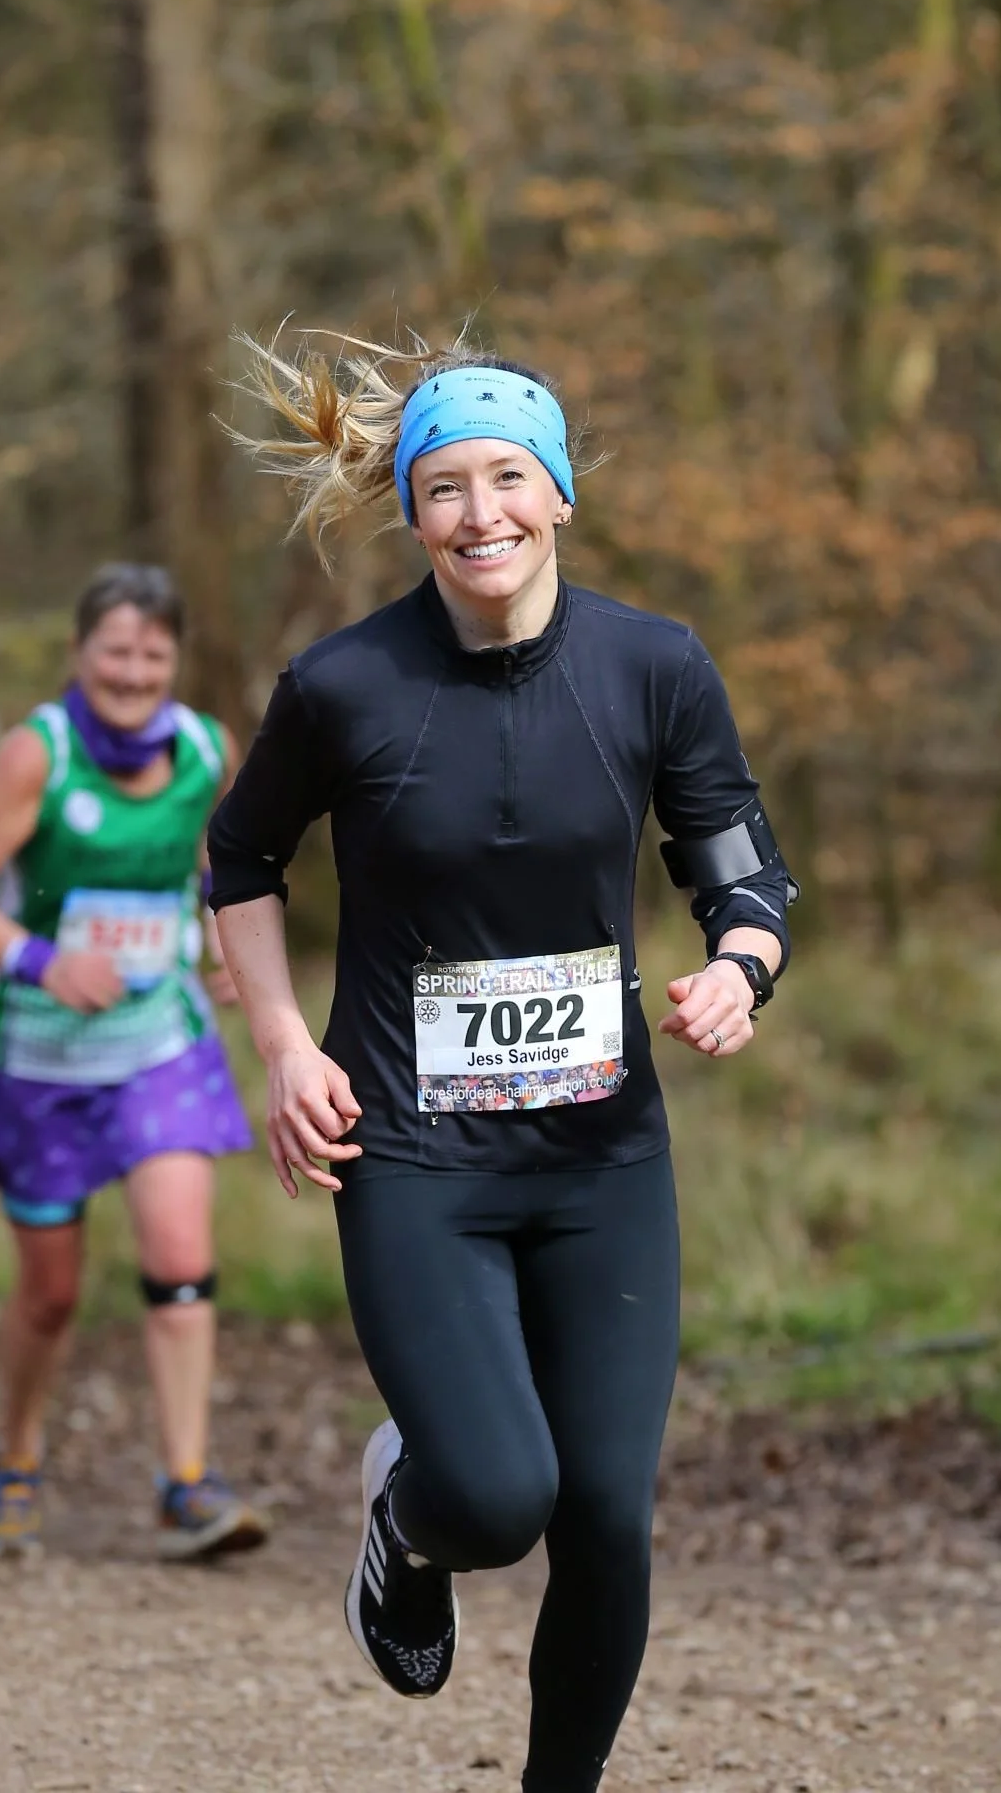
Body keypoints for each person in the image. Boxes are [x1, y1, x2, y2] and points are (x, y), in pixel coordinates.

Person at [209, 339, 796, 1793]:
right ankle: (404, 1523)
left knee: (604, 1510)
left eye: (508, 481)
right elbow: (237, 864)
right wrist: (282, 1045)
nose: (483, 515)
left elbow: (742, 871)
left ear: (560, 496)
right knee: (495, 1492)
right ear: (413, 513)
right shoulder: (346, 686)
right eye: (447, 488)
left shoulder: (652, 665)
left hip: (602, 1158)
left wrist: (739, 970)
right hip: (411, 1154)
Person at [0, 562, 266, 1561]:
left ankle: (188, 1484)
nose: (134, 671)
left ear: (175, 662)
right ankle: (16, 1462)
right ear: (81, 655)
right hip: (37, 1062)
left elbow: (219, 862)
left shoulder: (206, 747)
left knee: (180, 1259)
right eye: (115, 650)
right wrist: (40, 958)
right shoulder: (38, 754)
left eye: (154, 654)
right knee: (52, 1292)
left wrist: (225, 936)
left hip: (159, 1045)